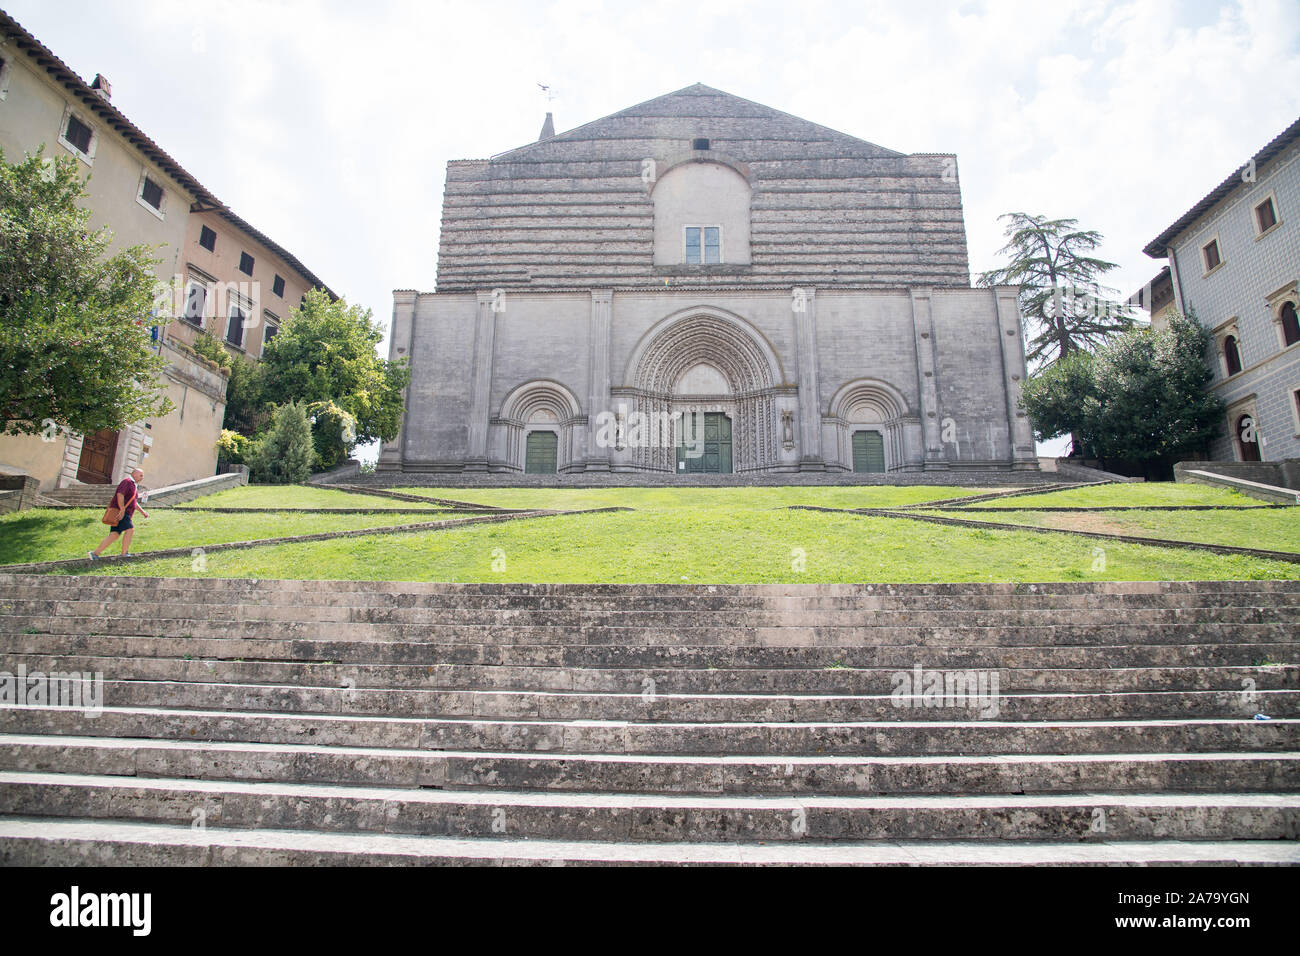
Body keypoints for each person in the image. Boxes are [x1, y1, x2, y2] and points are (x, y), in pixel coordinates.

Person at [89, 468, 150, 560]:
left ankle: (95, 553)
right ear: (134, 474)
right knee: (130, 529)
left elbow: (133, 502)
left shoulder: (133, 485)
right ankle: (124, 553)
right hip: (121, 512)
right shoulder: (127, 482)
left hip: (124, 512)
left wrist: (143, 512)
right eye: (141, 475)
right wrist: (122, 509)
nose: (142, 477)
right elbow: (120, 495)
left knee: (114, 535)